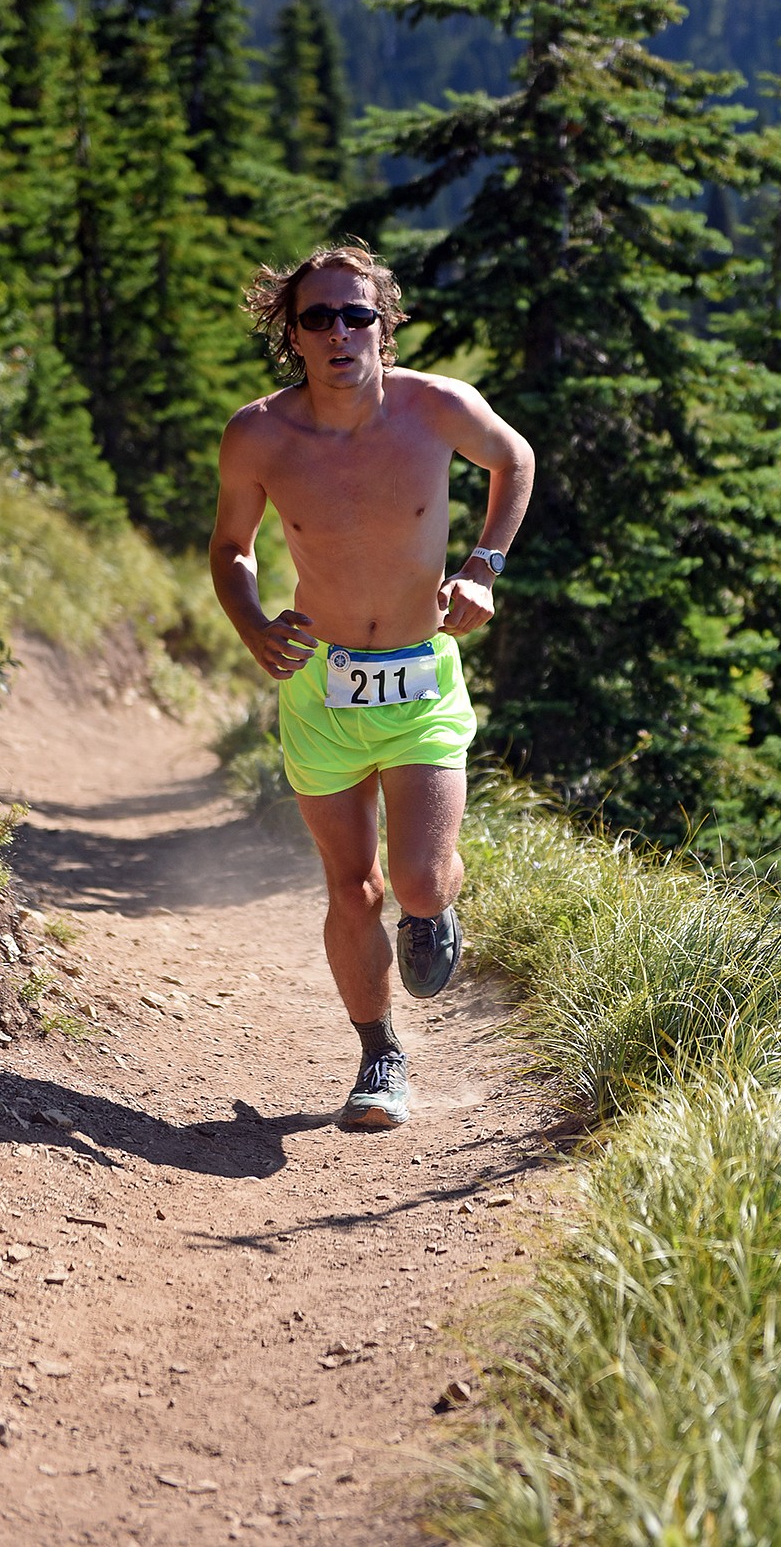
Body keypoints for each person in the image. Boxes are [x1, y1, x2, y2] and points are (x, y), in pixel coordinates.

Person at [209, 244, 534, 1130]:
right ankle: (379, 1056)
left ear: (384, 328)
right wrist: (252, 625)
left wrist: (484, 565)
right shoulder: (261, 433)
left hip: (422, 678)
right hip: (320, 685)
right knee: (352, 887)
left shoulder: (438, 408)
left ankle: (435, 913)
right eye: (320, 317)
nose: (341, 332)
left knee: (418, 879)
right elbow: (231, 549)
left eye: (359, 315)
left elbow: (517, 460)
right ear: (294, 335)